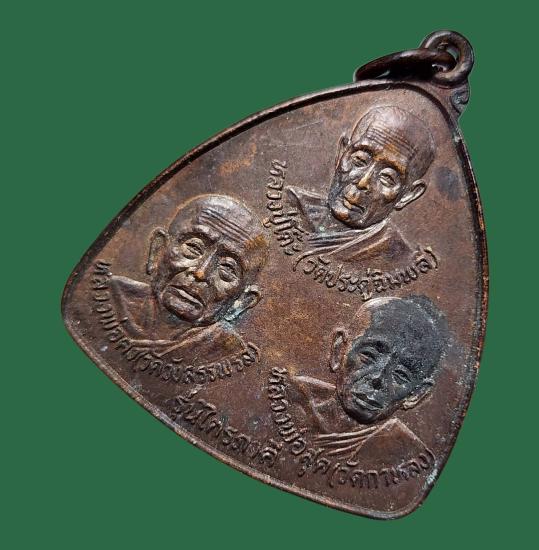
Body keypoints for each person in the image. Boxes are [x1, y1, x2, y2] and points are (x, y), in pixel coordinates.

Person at [108, 194, 268, 362]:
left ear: (242, 301)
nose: (201, 273)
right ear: (158, 250)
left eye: (227, 268)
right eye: (193, 248)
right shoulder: (111, 297)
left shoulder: (229, 355)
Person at [291, 296, 445, 464]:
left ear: (417, 394)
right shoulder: (290, 396)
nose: (378, 379)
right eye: (369, 356)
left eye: (401, 374)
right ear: (339, 350)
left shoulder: (406, 455)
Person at [287, 106, 435, 270]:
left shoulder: (401, 262)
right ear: (342, 152)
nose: (363, 182)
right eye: (360, 160)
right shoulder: (291, 205)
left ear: (408, 195)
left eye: (387, 177)